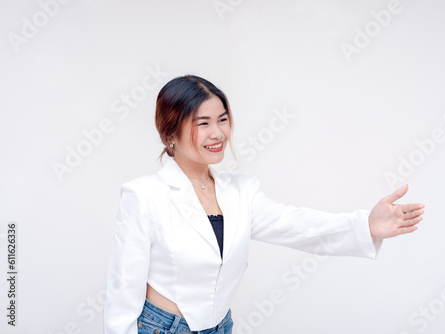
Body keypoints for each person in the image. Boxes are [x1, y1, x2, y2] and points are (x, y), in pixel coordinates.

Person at [103, 75, 425, 334]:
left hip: (221, 327)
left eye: (223, 119)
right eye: (203, 123)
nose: (218, 133)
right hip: (161, 329)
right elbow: (122, 291)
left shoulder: (241, 192)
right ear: (170, 132)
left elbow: (296, 224)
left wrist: (365, 224)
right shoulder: (144, 195)